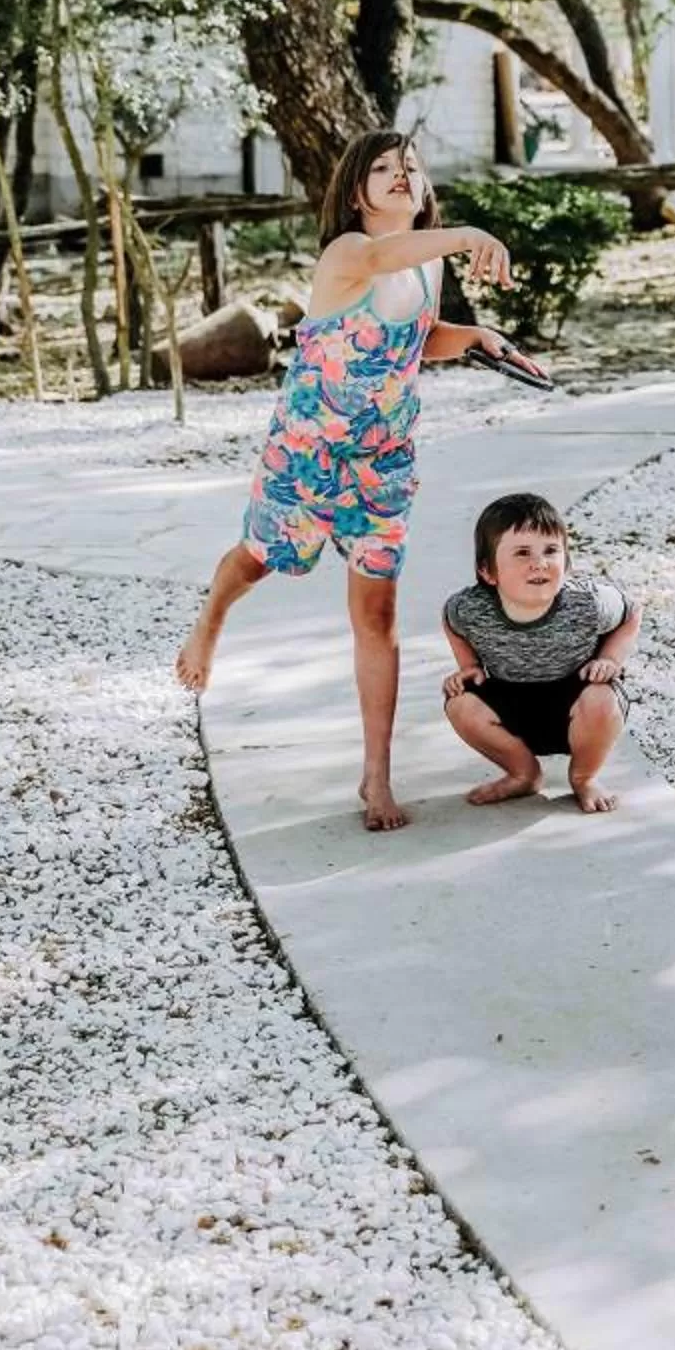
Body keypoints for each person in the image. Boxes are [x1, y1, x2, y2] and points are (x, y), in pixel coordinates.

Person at [174, 129, 516, 833]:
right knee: (257, 561)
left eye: (411, 168)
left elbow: (417, 337)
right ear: (356, 191)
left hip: (382, 463)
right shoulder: (350, 253)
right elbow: (387, 256)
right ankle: (211, 619)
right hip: (307, 455)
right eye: (383, 169)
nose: (400, 176)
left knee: (378, 618)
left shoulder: (427, 267)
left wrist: (476, 338)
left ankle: (377, 775)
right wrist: (471, 232)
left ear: (423, 191)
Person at [441, 492, 640, 814]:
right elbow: (451, 621)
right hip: (511, 702)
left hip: (577, 699)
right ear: (488, 572)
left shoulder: (588, 603)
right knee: (459, 702)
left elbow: (632, 613)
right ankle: (522, 773)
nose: (539, 562)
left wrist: (610, 659)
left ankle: (584, 777)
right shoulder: (472, 608)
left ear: (567, 562)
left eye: (551, 550)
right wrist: (468, 664)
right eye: (522, 553)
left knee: (603, 699)